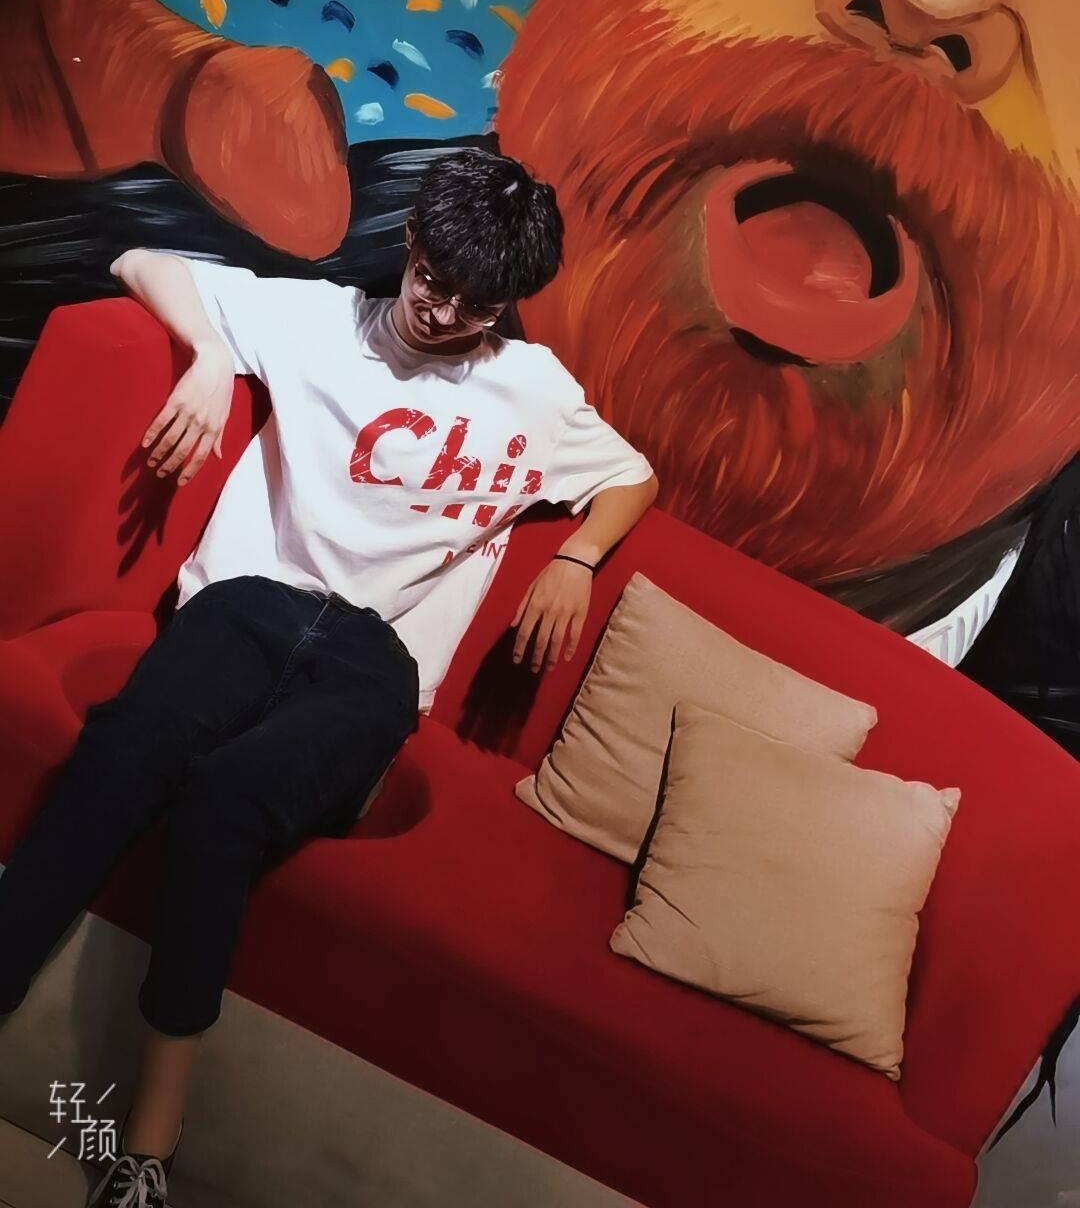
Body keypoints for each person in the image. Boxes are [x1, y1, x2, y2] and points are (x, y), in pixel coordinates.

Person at [0, 147, 659, 1208]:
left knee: (226, 805)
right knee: (121, 755)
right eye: (435, 280)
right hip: (245, 609)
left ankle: (147, 1149)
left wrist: (577, 558)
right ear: (411, 244)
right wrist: (208, 354)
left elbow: (633, 474)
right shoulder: (315, 320)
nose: (444, 314)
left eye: (478, 304)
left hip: (373, 666)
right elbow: (137, 260)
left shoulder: (534, 390)